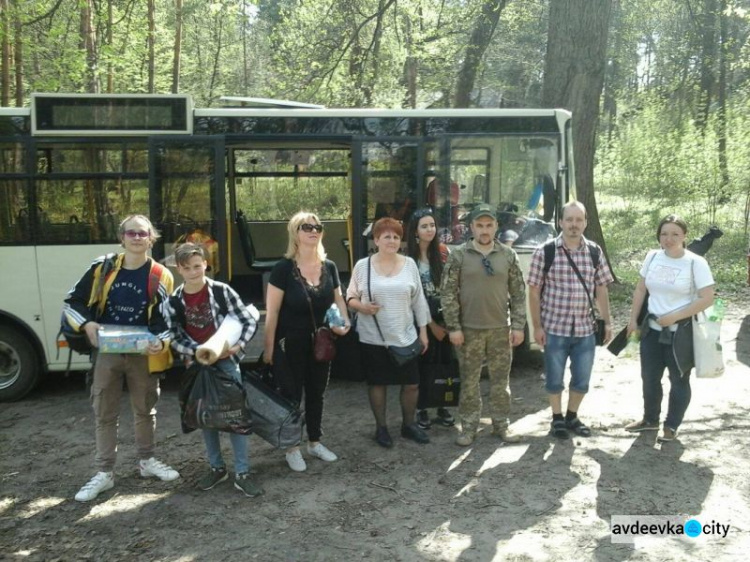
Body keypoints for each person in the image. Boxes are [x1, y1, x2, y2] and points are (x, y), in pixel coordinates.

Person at [64, 215, 179, 502]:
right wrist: (87, 325)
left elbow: (166, 320)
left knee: (145, 410)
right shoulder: (103, 267)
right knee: (105, 411)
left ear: (151, 238)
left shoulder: (160, 274)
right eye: (131, 233)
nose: (137, 238)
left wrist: (160, 342)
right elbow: (73, 301)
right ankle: (104, 473)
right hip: (107, 354)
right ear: (122, 237)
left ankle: (147, 462)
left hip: (142, 355)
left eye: (143, 233)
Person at [164, 243, 262, 497]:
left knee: (234, 415)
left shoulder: (222, 291)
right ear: (179, 269)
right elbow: (173, 334)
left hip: (227, 362)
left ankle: (243, 472)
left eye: (197, 266)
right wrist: (198, 351)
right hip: (197, 365)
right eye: (187, 268)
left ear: (206, 264)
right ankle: (217, 467)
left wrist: (237, 345)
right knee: (206, 416)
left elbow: (247, 319)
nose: (193, 272)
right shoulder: (174, 301)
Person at [265, 211, 351, 472]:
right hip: (289, 343)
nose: (313, 230)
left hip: (321, 343)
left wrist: (344, 324)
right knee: (291, 395)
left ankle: (314, 441)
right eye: (306, 227)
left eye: (318, 226)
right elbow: (273, 312)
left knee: (317, 393)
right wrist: (268, 350)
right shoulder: (282, 269)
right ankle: (292, 447)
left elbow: (339, 302)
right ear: (295, 233)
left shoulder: (330, 267)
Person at [441, 203, 526, 446]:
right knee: (469, 382)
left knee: (501, 382)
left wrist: (518, 326)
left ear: (496, 226)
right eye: (480, 225)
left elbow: (518, 293)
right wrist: (454, 327)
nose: (484, 230)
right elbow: (448, 293)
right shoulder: (459, 254)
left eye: (489, 225)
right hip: (469, 330)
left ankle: (501, 425)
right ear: (471, 227)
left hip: (500, 329)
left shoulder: (508, 255)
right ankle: (468, 427)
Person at [527, 201, 614, 440]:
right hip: (554, 327)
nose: (574, 225)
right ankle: (556, 419)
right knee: (555, 378)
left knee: (582, 379)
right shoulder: (545, 251)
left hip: (585, 329)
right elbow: (534, 291)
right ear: (561, 222)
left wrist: (606, 322)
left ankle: (572, 416)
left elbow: (601, 288)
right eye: (569, 220)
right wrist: (537, 326)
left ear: (586, 222)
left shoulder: (594, 251)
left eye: (579, 220)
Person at [624, 214, 715, 442]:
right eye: (664, 234)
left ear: (685, 236)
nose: (669, 239)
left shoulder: (696, 262)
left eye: (675, 234)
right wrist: (633, 320)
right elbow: (640, 290)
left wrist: (675, 316)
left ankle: (671, 425)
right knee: (649, 377)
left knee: (679, 379)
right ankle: (649, 420)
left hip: (681, 333)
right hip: (652, 331)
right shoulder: (652, 257)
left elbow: (707, 298)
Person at [346, 217, 431, 447]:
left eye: (396, 236)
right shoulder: (362, 266)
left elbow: (419, 301)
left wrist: (423, 332)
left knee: (412, 383)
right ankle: (381, 428)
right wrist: (362, 307)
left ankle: (409, 425)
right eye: (386, 236)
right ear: (376, 240)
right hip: (374, 339)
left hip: (405, 335)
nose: (392, 241)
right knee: (377, 383)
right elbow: (350, 297)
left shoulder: (410, 265)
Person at [405, 208, 455, 430]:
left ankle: (442, 405)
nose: (429, 230)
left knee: (444, 364)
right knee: (424, 365)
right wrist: (430, 325)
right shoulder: (407, 260)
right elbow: (412, 298)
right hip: (419, 323)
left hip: (444, 320)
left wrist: (446, 322)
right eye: (424, 226)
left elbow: (452, 288)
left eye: (432, 225)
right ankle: (422, 409)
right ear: (415, 231)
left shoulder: (444, 253)